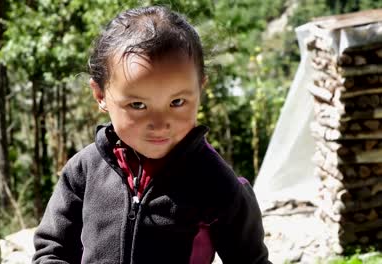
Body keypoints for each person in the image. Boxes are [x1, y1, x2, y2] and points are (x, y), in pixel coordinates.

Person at [33, 5, 270, 264]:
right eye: (138, 105)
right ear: (100, 96)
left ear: (200, 88)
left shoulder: (213, 179)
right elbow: (52, 249)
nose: (160, 124)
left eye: (177, 102)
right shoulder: (84, 171)